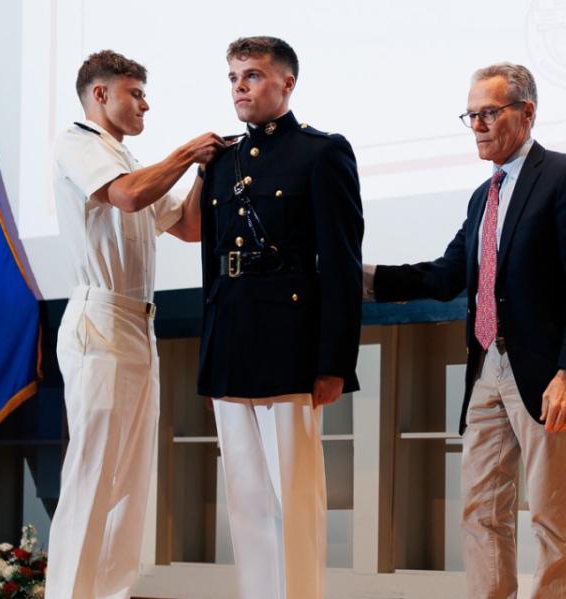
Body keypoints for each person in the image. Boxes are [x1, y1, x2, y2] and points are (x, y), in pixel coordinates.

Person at [364, 63, 566, 599]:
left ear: (526, 113)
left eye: (489, 113)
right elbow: (444, 274)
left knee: (549, 515)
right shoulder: (484, 195)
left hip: (545, 371)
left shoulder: (564, 176)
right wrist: (358, 278)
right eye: (471, 115)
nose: (478, 125)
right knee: (480, 510)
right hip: (486, 365)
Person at [47, 50, 224, 599]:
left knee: (129, 479)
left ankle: (112, 593)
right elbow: (126, 197)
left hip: (138, 327)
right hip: (99, 318)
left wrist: (201, 171)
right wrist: (183, 152)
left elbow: (190, 228)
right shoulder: (79, 144)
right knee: (94, 473)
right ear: (100, 95)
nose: (146, 103)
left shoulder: (129, 159)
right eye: (135, 93)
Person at [193, 37, 363, 599]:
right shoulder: (221, 162)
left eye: (254, 75)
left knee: (295, 498)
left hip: (291, 346)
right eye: (234, 76)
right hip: (231, 339)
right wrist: (210, 345)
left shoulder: (321, 152)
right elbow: (211, 263)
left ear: (287, 83)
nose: (240, 85)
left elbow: (340, 264)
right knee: (244, 501)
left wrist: (334, 361)